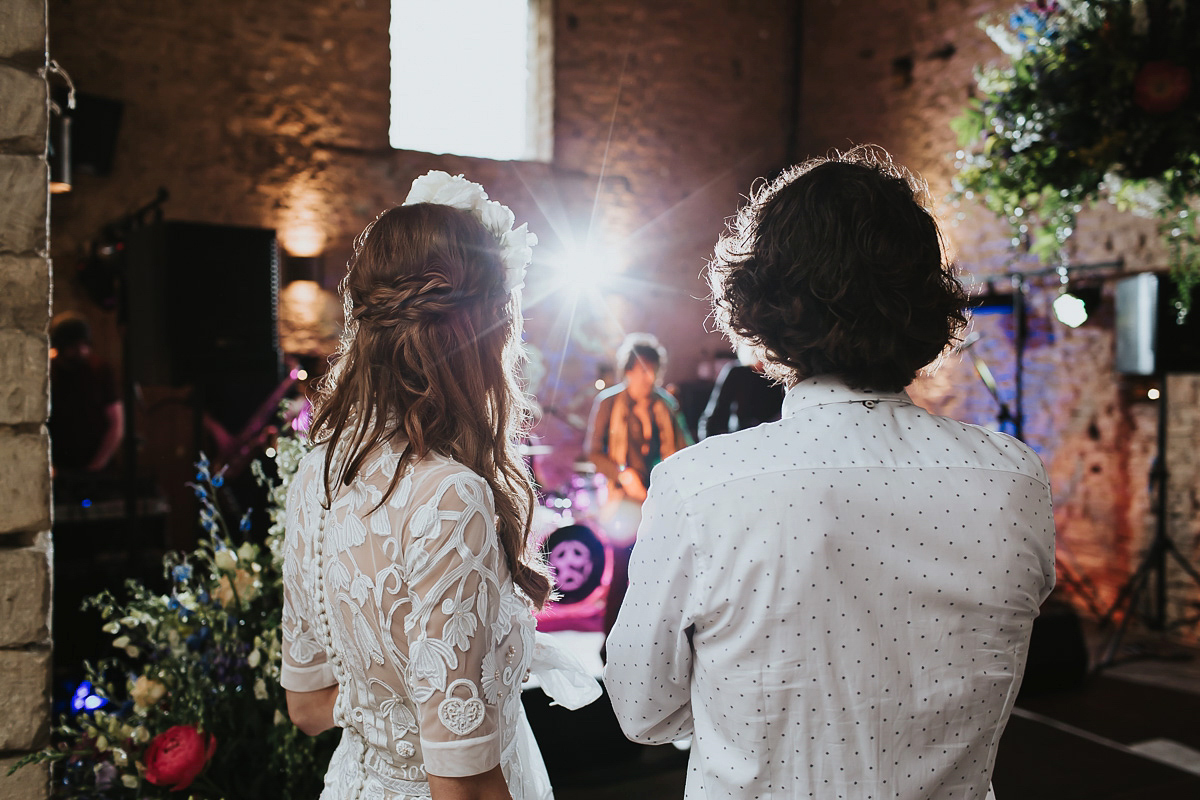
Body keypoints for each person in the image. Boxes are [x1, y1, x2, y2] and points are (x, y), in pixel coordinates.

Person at [605, 146, 1056, 800]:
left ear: (760, 306)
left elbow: (644, 712)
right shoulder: (1013, 479)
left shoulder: (700, 487)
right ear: (924, 302)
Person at [281, 171, 599, 800]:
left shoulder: (318, 470)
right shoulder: (450, 497)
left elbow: (308, 705)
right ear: (486, 331)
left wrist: (398, 710)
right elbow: (464, 787)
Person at [584, 333, 691, 639]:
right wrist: (623, 474)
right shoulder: (608, 403)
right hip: (624, 501)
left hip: (660, 501)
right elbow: (593, 452)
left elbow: (685, 449)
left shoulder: (666, 403)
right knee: (621, 573)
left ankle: (652, 644)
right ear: (627, 370)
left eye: (653, 370)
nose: (648, 377)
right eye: (642, 369)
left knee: (661, 575)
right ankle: (610, 644)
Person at [48, 311, 124, 474]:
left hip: (97, 467)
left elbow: (116, 422)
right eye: (74, 346)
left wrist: (97, 465)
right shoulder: (49, 372)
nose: (81, 351)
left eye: (84, 345)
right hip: (60, 466)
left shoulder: (100, 370)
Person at [697, 342, 784, 438]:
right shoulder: (737, 373)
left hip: (773, 438)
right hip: (740, 437)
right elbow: (713, 416)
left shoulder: (781, 377)